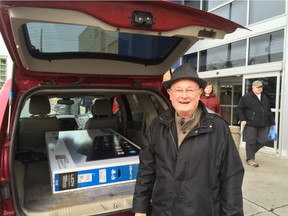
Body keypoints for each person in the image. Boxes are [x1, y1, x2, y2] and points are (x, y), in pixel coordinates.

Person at [132, 63, 244, 216]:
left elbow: (231, 177)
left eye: (190, 90)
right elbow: (146, 171)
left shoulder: (218, 128)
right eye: (178, 90)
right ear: (170, 94)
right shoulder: (157, 126)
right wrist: (140, 208)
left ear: (199, 93)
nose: (184, 95)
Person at [237, 80, 275, 167]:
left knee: (263, 140)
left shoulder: (264, 97)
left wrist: (272, 122)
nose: (259, 89)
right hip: (250, 123)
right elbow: (239, 108)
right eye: (258, 87)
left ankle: (250, 152)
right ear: (253, 87)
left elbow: (268, 110)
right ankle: (250, 159)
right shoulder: (246, 97)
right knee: (251, 141)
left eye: (261, 87)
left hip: (263, 123)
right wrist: (242, 119)